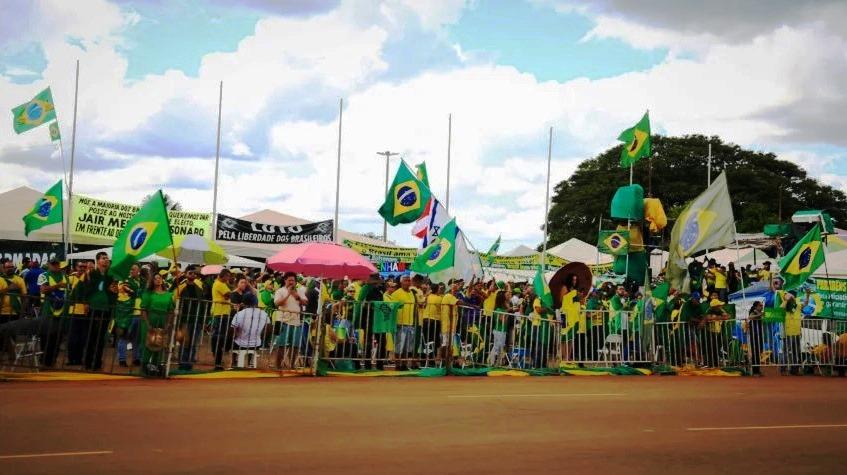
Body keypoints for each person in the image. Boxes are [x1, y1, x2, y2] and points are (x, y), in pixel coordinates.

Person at [81, 252, 117, 371]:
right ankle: (87, 362)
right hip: (93, 308)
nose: (106, 260)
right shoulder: (91, 274)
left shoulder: (110, 276)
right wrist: (86, 304)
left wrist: (114, 291)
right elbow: (85, 291)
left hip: (105, 308)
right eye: (103, 258)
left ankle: (97, 363)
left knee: (101, 337)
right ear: (97, 261)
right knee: (91, 335)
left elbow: (113, 292)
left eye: (107, 258)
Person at [139, 273, 175, 376]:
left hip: (162, 321)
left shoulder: (169, 295)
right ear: (152, 281)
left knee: (160, 343)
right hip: (150, 320)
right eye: (155, 278)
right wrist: (147, 323)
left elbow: (171, 311)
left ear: (163, 280)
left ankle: (156, 367)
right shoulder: (148, 294)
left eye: (160, 278)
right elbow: (143, 309)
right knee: (148, 343)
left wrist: (168, 324)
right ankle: (145, 367)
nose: (158, 280)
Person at [173, 266, 206, 371]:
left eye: (194, 273)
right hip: (184, 319)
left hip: (196, 319)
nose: (193, 275)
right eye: (190, 273)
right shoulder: (181, 286)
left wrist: (202, 320)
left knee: (193, 342)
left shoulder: (199, 287)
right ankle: (182, 363)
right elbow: (173, 298)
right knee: (184, 342)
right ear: (186, 274)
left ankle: (189, 363)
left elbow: (203, 303)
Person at [274, 272, 308, 370]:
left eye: (293, 280)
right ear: (285, 280)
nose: (291, 282)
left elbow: (305, 302)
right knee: (281, 345)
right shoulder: (280, 291)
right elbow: (277, 303)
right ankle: (278, 366)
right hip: (282, 321)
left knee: (295, 345)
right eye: (289, 280)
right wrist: (288, 294)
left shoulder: (299, 291)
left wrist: (296, 295)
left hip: (296, 321)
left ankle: (292, 365)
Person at [114, 264, 143, 367]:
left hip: (139, 313)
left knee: (137, 338)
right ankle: (122, 359)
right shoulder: (124, 280)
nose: (131, 270)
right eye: (130, 268)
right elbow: (127, 290)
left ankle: (136, 358)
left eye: (133, 269)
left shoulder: (141, 281)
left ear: (138, 270)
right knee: (124, 337)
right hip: (128, 313)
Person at [388, 275, 416, 371]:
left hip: (410, 323)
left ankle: (404, 364)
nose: (408, 282)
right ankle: (398, 364)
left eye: (409, 280)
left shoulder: (412, 293)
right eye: (405, 281)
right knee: (399, 345)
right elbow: (393, 307)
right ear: (401, 282)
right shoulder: (396, 293)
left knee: (407, 347)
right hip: (400, 323)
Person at [210, 269, 233, 370]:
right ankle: (217, 362)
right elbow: (228, 295)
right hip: (220, 313)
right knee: (219, 337)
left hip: (221, 313)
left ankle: (218, 360)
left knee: (219, 337)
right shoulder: (220, 284)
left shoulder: (219, 283)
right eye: (228, 276)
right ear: (223, 276)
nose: (228, 278)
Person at [782, 290, 807, 375]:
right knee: (786, 350)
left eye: (793, 296)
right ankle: (783, 369)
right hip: (788, 332)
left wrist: (808, 294)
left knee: (796, 351)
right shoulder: (787, 305)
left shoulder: (798, 306)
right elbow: (781, 307)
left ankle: (794, 369)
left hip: (796, 332)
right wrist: (787, 299)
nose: (791, 297)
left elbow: (805, 304)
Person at [0, 259, 27, 325]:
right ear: (3, 269)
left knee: (14, 332)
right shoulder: (0, 279)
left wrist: (23, 310)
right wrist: (8, 289)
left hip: (16, 311)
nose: (10, 269)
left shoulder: (20, 279)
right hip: (3, 312)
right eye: (8, 267)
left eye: (12, 267)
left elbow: (24, 296)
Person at [487, 291, 509, 366]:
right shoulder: (499, 309)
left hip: (502, 330)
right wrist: (508, 312)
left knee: (499, 347)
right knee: (497, 347)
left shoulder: (502, 309)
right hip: (499, 331)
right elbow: (503, 320)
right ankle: (491, 362)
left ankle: (495, 363)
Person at [747, 301, 765, 375]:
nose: (762, 307)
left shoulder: (759, 313)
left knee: (759, 352)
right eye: (760, 305)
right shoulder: (753, 312)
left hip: (759, 335)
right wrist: (760, 315)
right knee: (755, 353)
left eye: (762, 305)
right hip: (754, 335)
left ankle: (757, 369)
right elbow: (750, 317)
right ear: (756, 306)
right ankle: (755, 371)